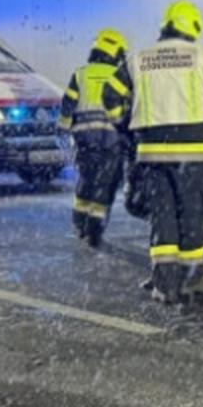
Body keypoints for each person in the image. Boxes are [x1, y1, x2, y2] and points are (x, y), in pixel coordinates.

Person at [126, 1, 203, 304]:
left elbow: (112, 98)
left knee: (162, 218)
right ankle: (190, 281)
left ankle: (164, 286)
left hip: (152, 154)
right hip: (192, 154)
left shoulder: (138, 58)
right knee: (191, 216)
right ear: (193, 26)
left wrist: (131, 128)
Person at [59, 29, 132, 248]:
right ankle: (95, 228)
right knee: (105, 184)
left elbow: (68, 104)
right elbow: (128, 106)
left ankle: (79, 221)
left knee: (86, 180)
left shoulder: (81, 74)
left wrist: (63, 128)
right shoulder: (121, 74)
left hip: (85, 140)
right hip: (112, 139)